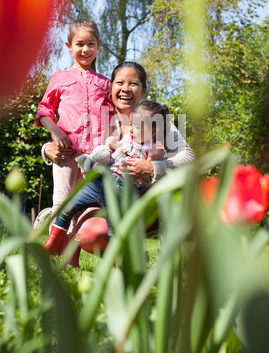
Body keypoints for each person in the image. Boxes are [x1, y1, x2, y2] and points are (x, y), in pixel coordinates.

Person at [42, 61, 195, 255]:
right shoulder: (101, 117)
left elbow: (189, 158)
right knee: (88, 235)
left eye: (133, 84)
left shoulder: (154, 119)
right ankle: (128, 256)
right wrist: (47, 149)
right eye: (119, 83)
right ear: (111, 86)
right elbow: (75, 142)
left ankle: (167, 257)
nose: (125, 89)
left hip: (146, 204)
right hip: (108, 199)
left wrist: (154, 168)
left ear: (144, 89)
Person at [44, 99, 169, 255]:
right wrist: (110, 145)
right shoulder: (127, 138)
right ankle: (52, 245)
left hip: (119, 187)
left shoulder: (156, 148)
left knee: (114, 228)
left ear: (154, 130)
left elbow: (149, 176)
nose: (130, 129)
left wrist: (151, 162)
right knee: (67, 207)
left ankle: (120, 261)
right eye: (130, 124)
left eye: (137, 127)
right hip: (98, 179)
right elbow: (114, 155)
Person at [35, 19, 114, 247]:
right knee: (62, 201)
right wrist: (56, 131)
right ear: (69, 46)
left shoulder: (105, 83)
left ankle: (74, 254)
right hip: (66, 152)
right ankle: (56, 251)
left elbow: (116, 114)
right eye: (80, 44)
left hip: (95, 156)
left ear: (98, 46)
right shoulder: (59, 78)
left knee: (88, 205)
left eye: (91, 44)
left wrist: (110, 140)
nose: (85, 49)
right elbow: (44, 110)